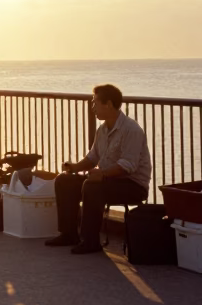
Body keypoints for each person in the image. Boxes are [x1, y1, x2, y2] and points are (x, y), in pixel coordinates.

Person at [46, 83, 151, 255]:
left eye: (95, 103)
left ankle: (91, 241)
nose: (92, 107)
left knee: (92, 186)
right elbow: (92, 157)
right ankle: (68, 234)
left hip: (132, 185)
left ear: (108, 104)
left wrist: (102, 174)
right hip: (108, 180)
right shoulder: (102, 130)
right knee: (64, 181)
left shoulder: (131, 130)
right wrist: (73, 168)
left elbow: (128, 166)